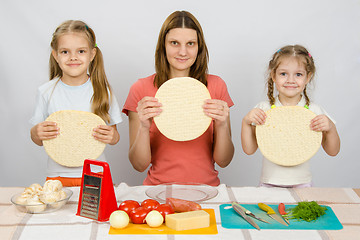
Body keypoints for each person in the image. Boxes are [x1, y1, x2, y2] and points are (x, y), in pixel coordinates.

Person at [122, 11, 234, 186]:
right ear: (163, 46)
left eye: (190, 43)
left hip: (208, 191)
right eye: (174, 43)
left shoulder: (216, 86)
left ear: (199, 47)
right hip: (158, 192)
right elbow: (138, 165)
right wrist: (144, 127)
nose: (183, 51)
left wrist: (222, 124)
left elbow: (224, 160)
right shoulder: (141, 89)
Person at [30, 20, 122, 187]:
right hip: (57, 176)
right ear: (55, 55)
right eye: (65, 52)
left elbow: (114, 136)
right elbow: (38, 138)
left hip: (96, 172)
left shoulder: (103, 90)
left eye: (81, 51)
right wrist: (36, 132)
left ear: (92, 54)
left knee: (97, 214)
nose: (73, 57)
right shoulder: (46, 92)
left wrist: (111, 135)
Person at [241, 45, 340, 188]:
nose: (290, 80)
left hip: (302, 183)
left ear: (308, 77)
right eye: (283, 74)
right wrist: (246, 122)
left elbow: (333, 151)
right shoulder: (264, 109)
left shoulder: (314, 111)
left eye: (298, 74)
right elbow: (249, 150)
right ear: (273, 75)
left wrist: (330, 128)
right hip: (269, 183)